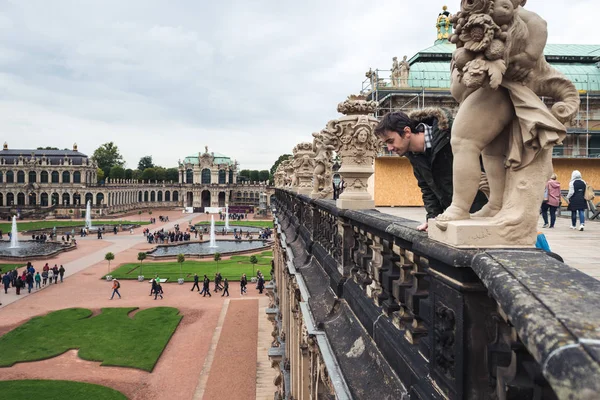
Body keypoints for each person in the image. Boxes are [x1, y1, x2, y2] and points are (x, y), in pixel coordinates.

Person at [374, 110, 487, 231]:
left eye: (390, 141)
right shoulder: (413, 155)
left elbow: (485, 163)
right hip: (459, 219)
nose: (390, 148)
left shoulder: (450, 134)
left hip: (483, 213)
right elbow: (427, 189)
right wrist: (432, 218)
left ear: (407, 132)